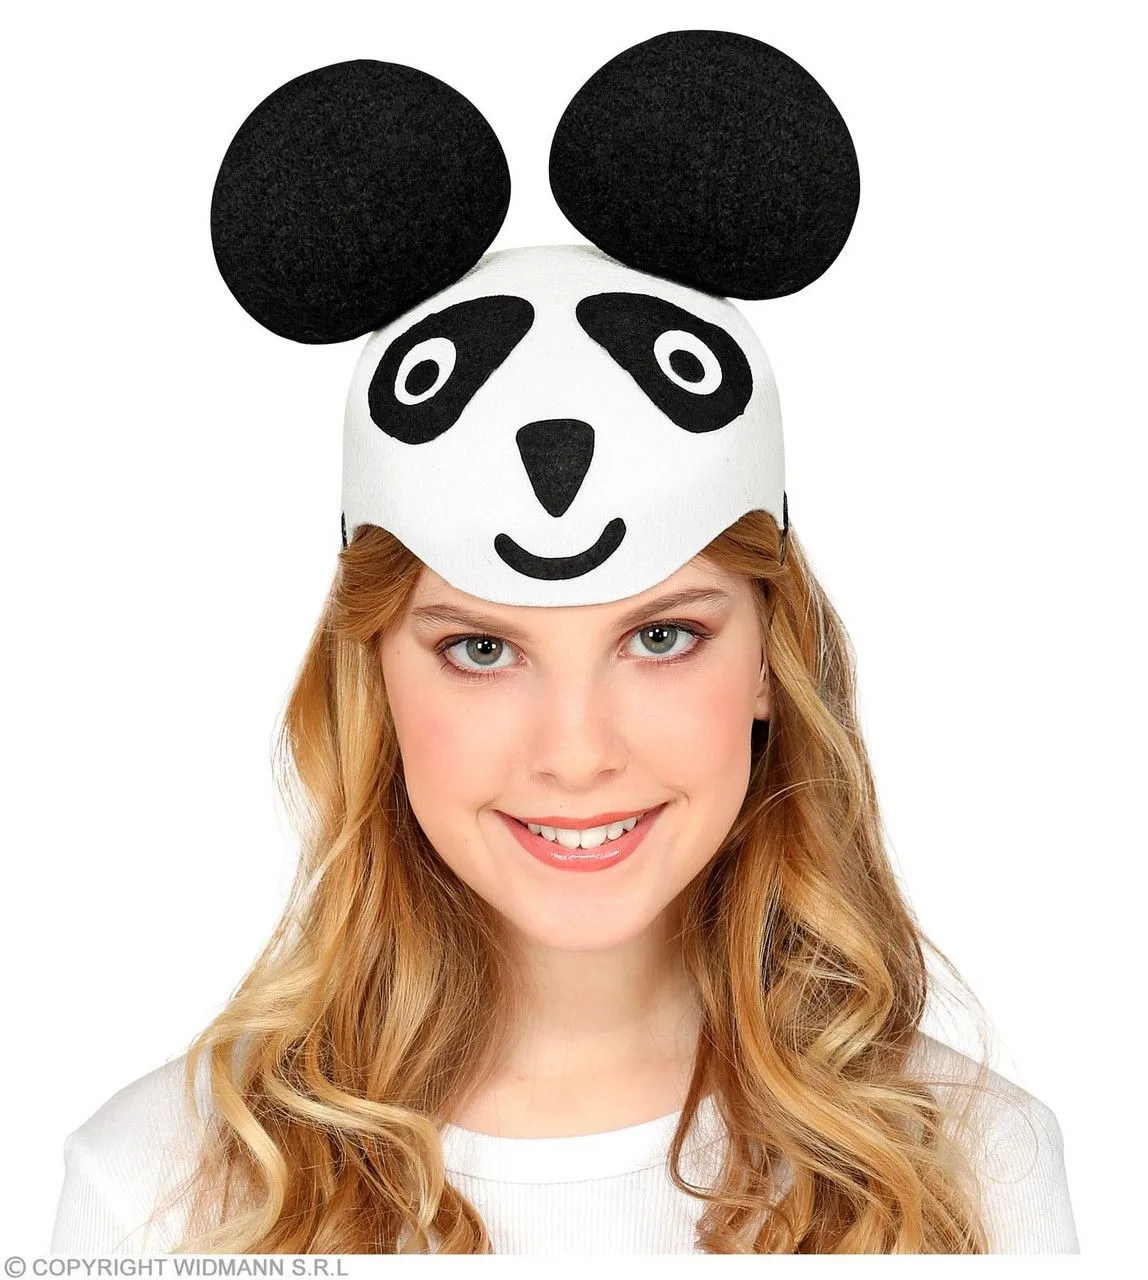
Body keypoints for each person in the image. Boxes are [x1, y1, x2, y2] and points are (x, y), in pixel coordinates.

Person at [50, 31, 1079, 1254]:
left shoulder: (963, 1165)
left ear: (768, 655)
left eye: (661, 634)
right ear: (374, 672)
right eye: (482, 650)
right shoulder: (165, 1186)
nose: (576, 751)